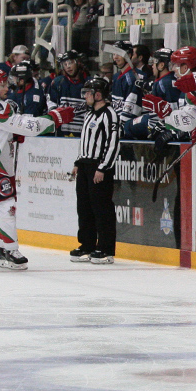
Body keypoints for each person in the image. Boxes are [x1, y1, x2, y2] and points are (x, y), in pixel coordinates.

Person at [0, 67, 74, 269]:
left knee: (6, 202)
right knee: (6, 204)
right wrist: (54, 118)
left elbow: (8, 128)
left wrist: (10, 134)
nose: (6, 87)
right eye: (1, 84)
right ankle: (9, 250)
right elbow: (24, 125)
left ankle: (3, 247)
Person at [70, 76, 121, 265]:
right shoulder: (89, 114)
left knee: (102, 208)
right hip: (85, 166)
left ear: (98, 94)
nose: (86, 96)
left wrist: (103, 168)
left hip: (99, 167)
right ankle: (87, 245)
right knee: (84, 207)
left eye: (89, 93)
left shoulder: (110, 115)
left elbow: (113, 144)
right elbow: (84, 141)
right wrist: (78, 162)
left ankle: (106, 248)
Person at [48, 51, 88, 136]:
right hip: (62, 132)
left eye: (70, 63)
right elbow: (51, 102)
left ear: (78, 62)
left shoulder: (89, 83)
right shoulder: (57, 82)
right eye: (65, 64)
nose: (68, 67)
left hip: (84, 133)